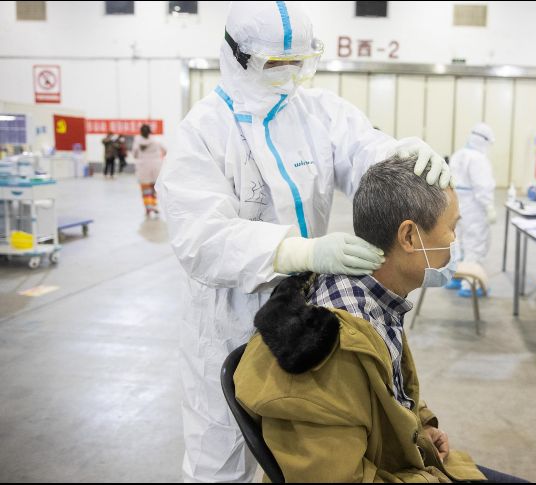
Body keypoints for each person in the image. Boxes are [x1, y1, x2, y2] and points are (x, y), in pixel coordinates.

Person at [155, 2, 453, 482]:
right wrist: (303, 251)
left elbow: (363, 150)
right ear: (237, 56)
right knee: (219, 465)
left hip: (302, 316)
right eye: (276, 64)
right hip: (229, 319)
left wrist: (399, 153)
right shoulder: (203, 133)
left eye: (300, 63)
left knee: (310, 444)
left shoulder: (316, 112)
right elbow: (201, 240)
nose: (289, 76)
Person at [235, 155, 526, 483]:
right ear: (410, 237)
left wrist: (421, 423)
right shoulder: (328, 355)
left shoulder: (376, 297)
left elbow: (385, 391)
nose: (456, 242)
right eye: (452, 228)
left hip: (401, 461)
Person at [446, 123, 497, 297]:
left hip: (456, 204)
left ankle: (456, 277)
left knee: (457, 241)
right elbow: (482, 186)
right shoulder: (478, 159)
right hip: (474, 206)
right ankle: (471, 285)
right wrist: (489, 206)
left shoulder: (459, 154)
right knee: (475, 243)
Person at [131, 124, 166, 218]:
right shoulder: (157, 140)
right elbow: (165, 150)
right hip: (156, 167)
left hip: (143, 168)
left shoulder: (137, 142)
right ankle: (154, 206)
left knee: (146, 190)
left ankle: (148, 207)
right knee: (153, 189)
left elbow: (134, 154)